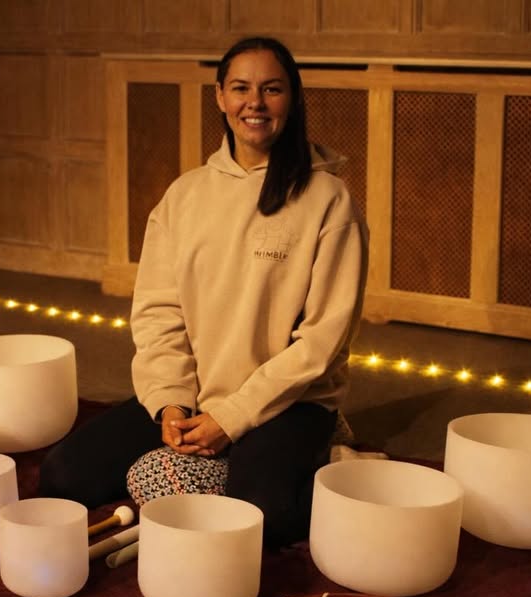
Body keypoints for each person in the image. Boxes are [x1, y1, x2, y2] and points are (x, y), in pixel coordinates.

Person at [40, 36, 366, 548]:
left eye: (271, 89)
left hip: (289, 401)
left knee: (263, 516)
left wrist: (232, 418)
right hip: (196, 395)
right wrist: (171, 404)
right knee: (63, 476)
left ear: (294, 99)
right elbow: (158, 313)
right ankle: (224, 457)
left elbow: (322, 341)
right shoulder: (184, 195)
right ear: (219, 96)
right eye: (240, 88)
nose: (254, 103)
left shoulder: (328, 199)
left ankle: (332, 452)